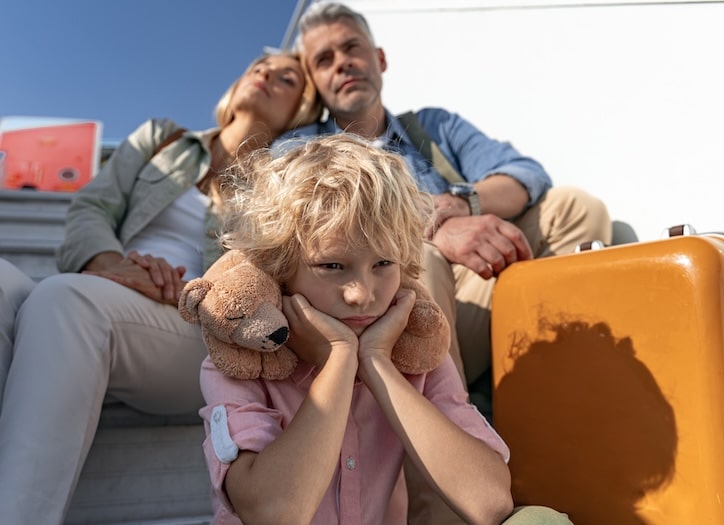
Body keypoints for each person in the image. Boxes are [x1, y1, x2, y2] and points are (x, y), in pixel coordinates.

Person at [0, 52, 320, 523]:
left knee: (65, 301)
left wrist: (186, 289)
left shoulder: (281, 184)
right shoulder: (162, 139)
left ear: (301, 109)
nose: (266, 74)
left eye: (286, 78)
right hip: (107, 283)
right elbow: (91, 207)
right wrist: (112, 264)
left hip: (196, 329)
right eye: (259, 67)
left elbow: (276, 279)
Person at [199, 133, 573, 525]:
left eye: (383, 264)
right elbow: (274, 514)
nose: (362, 295)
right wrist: (339, 360)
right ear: (279, 266)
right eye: (331, 266)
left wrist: (376, 361)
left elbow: (489, 501)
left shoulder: (412, 350)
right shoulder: (241, 362)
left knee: (539, 522)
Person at [283, 1, 613, 393]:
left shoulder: (434, 127)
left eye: (352, 47)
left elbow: (525, 174)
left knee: (575, 208)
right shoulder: (299, 148)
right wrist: (430, 227)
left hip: (469, 299)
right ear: (314, 82)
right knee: (421, 258)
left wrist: (458, 206)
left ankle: (543, 393)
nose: (342, 63)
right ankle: (449, 418)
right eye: (324, 60)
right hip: (377, 315)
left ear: (380, 59)